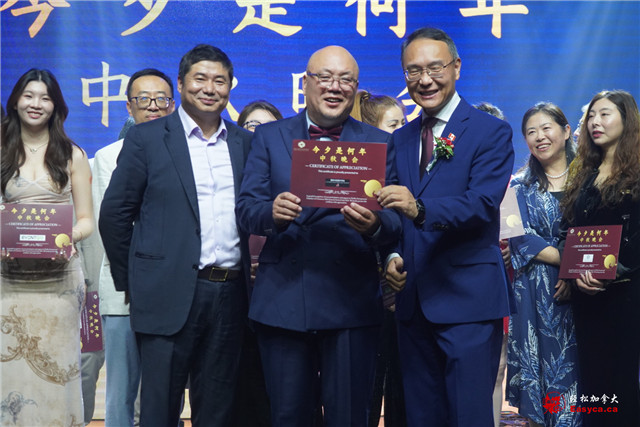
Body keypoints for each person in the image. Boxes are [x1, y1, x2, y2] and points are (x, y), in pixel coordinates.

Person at [236, 45, 402, 427]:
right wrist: (272, 213)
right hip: (283, 299)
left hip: (351, 300)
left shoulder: (379, 142)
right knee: (288, 415)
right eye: (324, 77)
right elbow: (246, 209)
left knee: (349, 416)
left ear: (356, 89)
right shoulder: (270, 137)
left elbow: (396, 221)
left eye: (345, 79)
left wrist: (374, 225)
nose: (334, 86)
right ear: (306, 83)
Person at [99, 44, 253, 427]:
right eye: (200, 79)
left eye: (220, 80)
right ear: (181, 84)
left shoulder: (245, 143)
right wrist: (134, 281)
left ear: (230, 87)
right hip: (164, 294)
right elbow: (115, 216)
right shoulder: (147, 138)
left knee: (218, 409)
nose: (210, 88)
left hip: (230, 294)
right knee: (158, 411)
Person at [376, 27, 514, 426]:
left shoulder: (490, 131)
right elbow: (391, 212)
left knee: (468, 416)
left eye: (435, 67)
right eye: (413, 70)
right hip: (412, 303)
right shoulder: (401, 139)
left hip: (468, 302)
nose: (425, 79)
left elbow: (482, 204)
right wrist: (391, 254)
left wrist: (419, 208)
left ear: (456, 67)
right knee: (422, 417)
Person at [1, 68, 94, 425]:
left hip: (59, 283)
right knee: (9, 375)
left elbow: (86, 220)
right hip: (8, 281)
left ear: (56, 106)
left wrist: (65, 236)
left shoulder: (72, 154)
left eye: (45, 97)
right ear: (15, 101)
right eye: (28, 96)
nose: (36, 104)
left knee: (58, 370)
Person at [94, 68, 175, 427]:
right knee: (121, 390)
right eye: (144, 99)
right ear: (129, 106)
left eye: (161, 99)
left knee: (165, 388)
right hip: (122, 289)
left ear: (173, 105)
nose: (153, 106)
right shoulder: (106, 156)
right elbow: (109, 226)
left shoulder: (186, 153)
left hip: (170, 288)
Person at [559, 90, 640, 426]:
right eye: (591, 116)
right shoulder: (584, 170)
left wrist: (612, 272)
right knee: (592, 380)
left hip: (625, 294)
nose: (595, 122)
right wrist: (573, 272)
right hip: (585, 294)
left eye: (605, 114)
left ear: (627, 118)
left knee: (622, 381)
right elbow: (570, 228)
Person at [506, 102, 579, 427]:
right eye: (531, 132)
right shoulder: (516, 185)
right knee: (538, 387)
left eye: (546, 128)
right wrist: (572, 262)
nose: (539, 136)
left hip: (585, 289)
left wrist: (575, 272)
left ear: (566, 131)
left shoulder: (590, 180)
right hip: (534, 295)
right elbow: (518, 238)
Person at [350, 89, 407, 427]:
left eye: (403, 122)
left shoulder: (408, 166)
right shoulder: (359, 171)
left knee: (401, 385)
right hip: (364, 294)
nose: (402, 130)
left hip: (402, 289)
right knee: (366, 386)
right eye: (393, 124)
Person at [232, 99, 284, 427]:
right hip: (236, 303)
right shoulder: (228, 177)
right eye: (252, 126)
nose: (258, 134)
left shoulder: (289, 178)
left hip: (279, 298)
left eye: (268, 127)